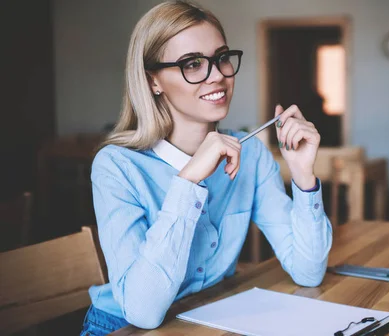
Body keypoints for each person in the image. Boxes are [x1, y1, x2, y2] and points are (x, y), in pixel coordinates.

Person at [80, 1, 332, 335]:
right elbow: (142, 312)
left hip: (207, 317)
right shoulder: (117, 166)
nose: (217, 76)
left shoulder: (251, 154)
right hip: (121, 327)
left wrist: (303, 177)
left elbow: (308, 272)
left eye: (222, 58)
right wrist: (188, 182)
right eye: (192, 64)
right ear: (152, 80)